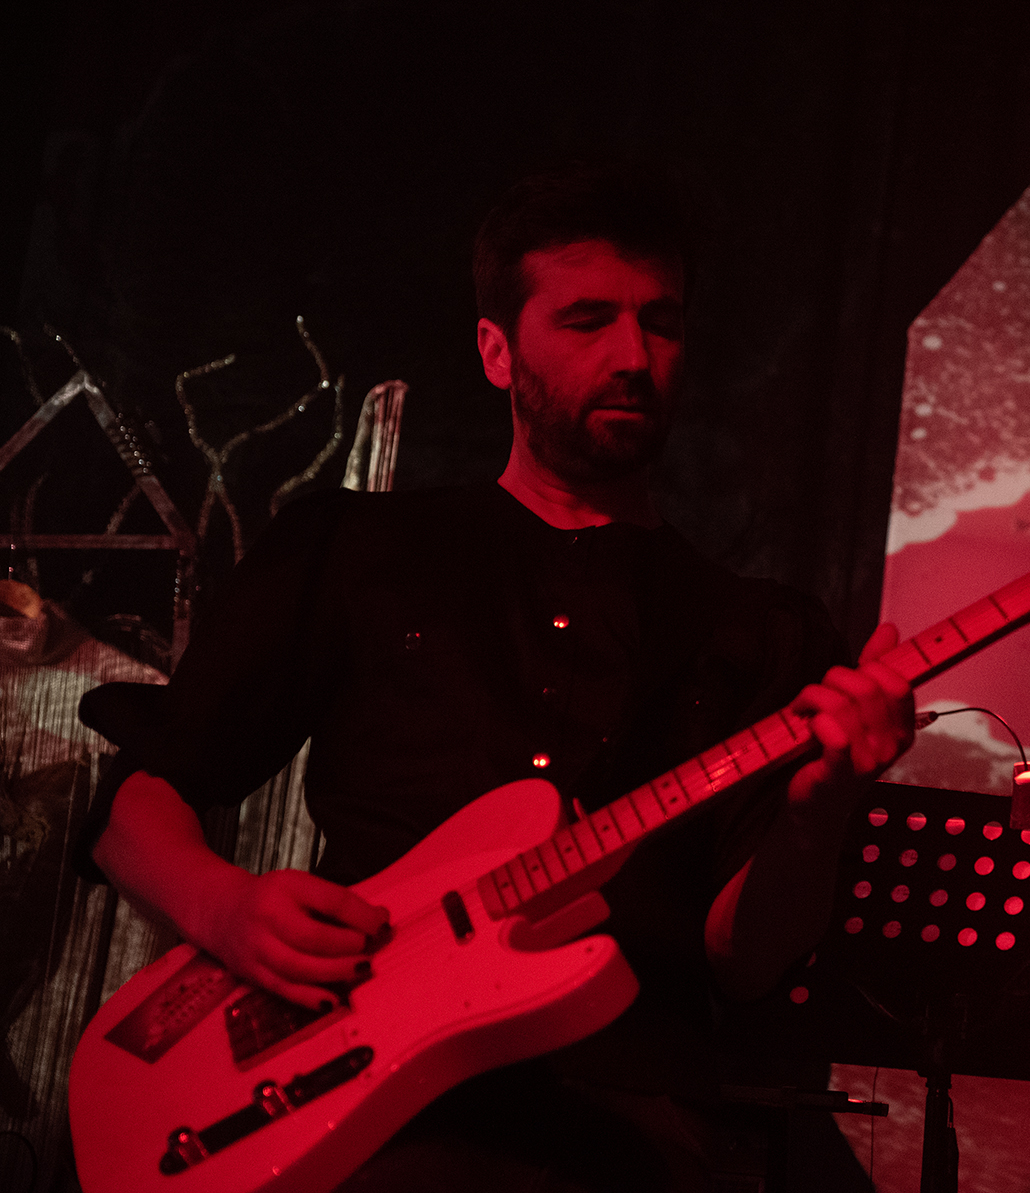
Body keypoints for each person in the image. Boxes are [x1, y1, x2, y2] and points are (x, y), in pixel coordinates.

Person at [77, 162, 912, 1191]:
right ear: (495, 349)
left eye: (660, 323)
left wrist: (822, 807)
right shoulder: (359, 549)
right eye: (587, 320)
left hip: (634, 1125)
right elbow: (139, 797)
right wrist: (224, 909)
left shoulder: (760, 629)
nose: (633, 356)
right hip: (362, 1095)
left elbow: (744, 957)